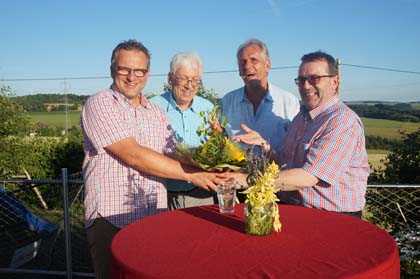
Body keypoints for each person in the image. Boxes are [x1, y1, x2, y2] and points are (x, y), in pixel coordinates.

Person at [81, 40, 227, 279]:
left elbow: (173, 152)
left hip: (151, 218)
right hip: (111, 217)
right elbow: (133, 154)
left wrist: (216, 166)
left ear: (147, 74)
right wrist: (194, 175)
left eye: (139, 71)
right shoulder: (100, 103)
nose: (131, 77)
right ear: (112, 70)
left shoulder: (154, 111)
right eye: (124, 69)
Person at [232, 51, 370, 218]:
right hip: (296, 210)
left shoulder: (342, 121)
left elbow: (308, 176)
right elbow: (284, 162)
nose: (306, 86)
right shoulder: (302, 117)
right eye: (301, 80)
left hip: (333, 218)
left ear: (334, 82)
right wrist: (264, 146)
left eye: (314, 78)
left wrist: (246, 179)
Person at [150, 52, 216, 209]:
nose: (189, 85)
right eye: (184, 78)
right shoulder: (152, 107)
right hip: (164, 193)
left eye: (195, 80)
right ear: (170, 78)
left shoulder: (208, 108)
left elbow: (216, 148)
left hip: (201, 194)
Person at [221, 39, 300, 152]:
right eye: (242, 62)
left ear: (267, 65)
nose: (247, 66)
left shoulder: (289, 102)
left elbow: (296, 147)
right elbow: (220, 139)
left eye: (254, 60)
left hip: (278, 169)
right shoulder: (227, 102)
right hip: (235, 169)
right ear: (238, 70)